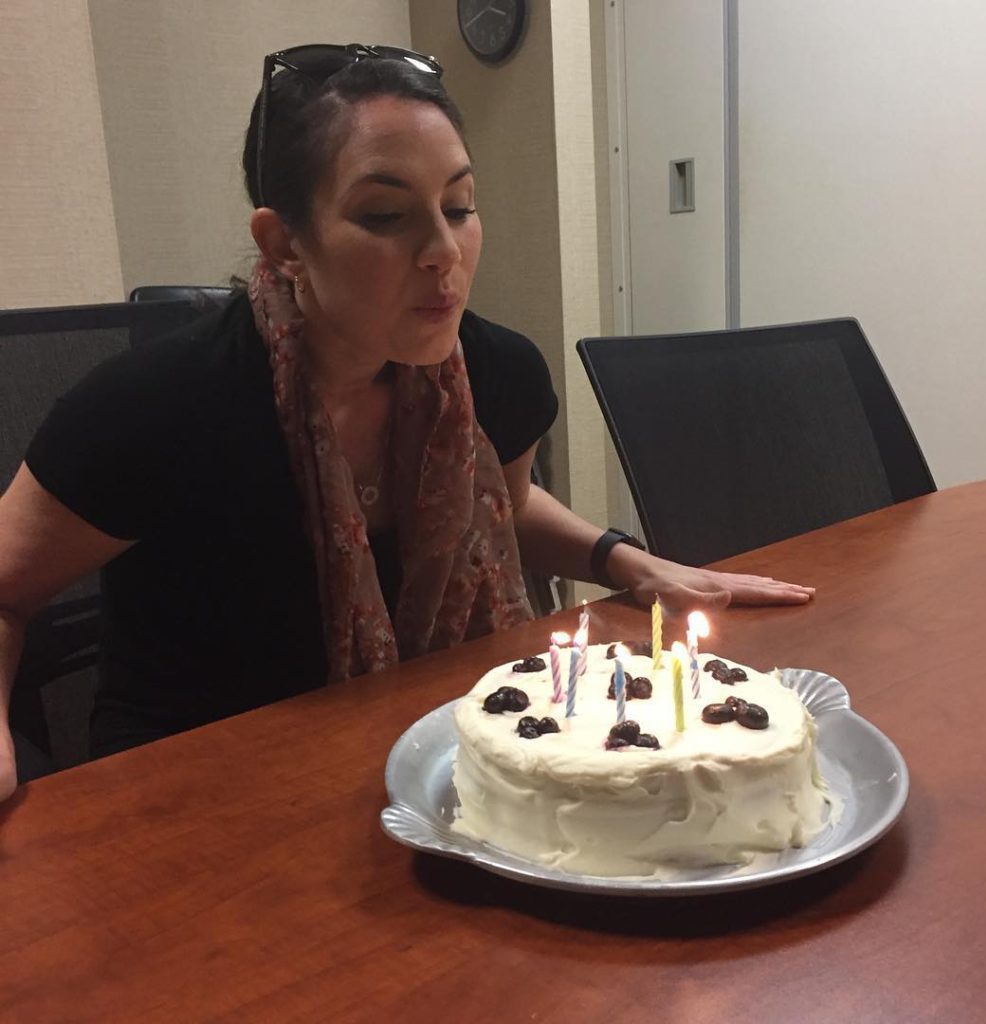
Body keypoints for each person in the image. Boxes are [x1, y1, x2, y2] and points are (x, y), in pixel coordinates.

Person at [0, 44, 813, 802]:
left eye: (458, 206)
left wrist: (622, 561)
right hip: (198, 799)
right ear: (284, 241)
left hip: (427, 762)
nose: (442, 251)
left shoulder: (500, 376)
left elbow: (500, 501)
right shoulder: (156, 409)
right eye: (387, 216)